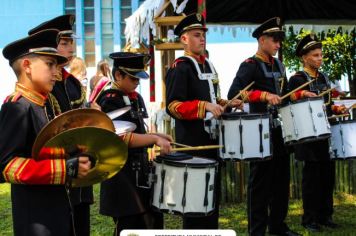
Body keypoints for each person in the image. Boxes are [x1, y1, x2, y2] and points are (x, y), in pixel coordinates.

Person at [0, 29, 92, 236]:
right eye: (50, 64)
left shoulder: (47, 104)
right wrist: (65, 168)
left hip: (59, 208)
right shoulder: (17, 107)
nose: (56, 71)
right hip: (36, 218)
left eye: (57, 65)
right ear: (27, 66)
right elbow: (7, 166)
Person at [165, 13, 243, 229]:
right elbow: (173, 106)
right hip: (192, 145)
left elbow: (213, 98)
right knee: (194, 202)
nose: (202, 39)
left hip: (212, 143)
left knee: (211, 200)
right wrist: (204, 106)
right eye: (197, 35)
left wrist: (227, 102)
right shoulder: (179, 67)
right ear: (184, 39)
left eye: (203, 36)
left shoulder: (209, 65)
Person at [228, 17, 299, 236]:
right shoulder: (249, 65)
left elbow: (284, 94)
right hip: (259, 133)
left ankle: (278, 226)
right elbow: (235, 95)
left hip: (279, 131)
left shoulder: (279, 65)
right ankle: (257, 231)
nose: (278, 45)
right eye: (274, 40)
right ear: (262, 40)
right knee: (260, 184)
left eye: (279, 41)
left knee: (281, 181)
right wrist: (263, 95)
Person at [28, 14, 91, 236]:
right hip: (56, 168)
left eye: (71, 42)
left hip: (79, 162)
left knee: (81, 220)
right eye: (64, 43)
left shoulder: (73, 83)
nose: (71, 47)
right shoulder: (39, 86)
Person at [97, 52, 172, 235]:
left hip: (140, 172)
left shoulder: (135, 97)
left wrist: (156, 134)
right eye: (132, 78)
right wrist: (154, 139)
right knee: (130, 226)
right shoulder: (109, 99)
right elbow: (121, 138)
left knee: (151, 222)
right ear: (118, 75)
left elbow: (138, 132)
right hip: (121, 174)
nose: (137, 82)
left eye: (139, 78)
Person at [288, 33, 347, 232]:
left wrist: (338, 109)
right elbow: (287, 99)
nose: (319, 59)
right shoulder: (296, 79)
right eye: (315, 55)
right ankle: (309, 219)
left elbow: (329, 105)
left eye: (321, 55)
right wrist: (302, 93)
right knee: (311, 180)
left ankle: (325, 216)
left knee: (327, 176)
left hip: (325, 133)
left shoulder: (323, 77)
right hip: (308, 136)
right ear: (304, 57)